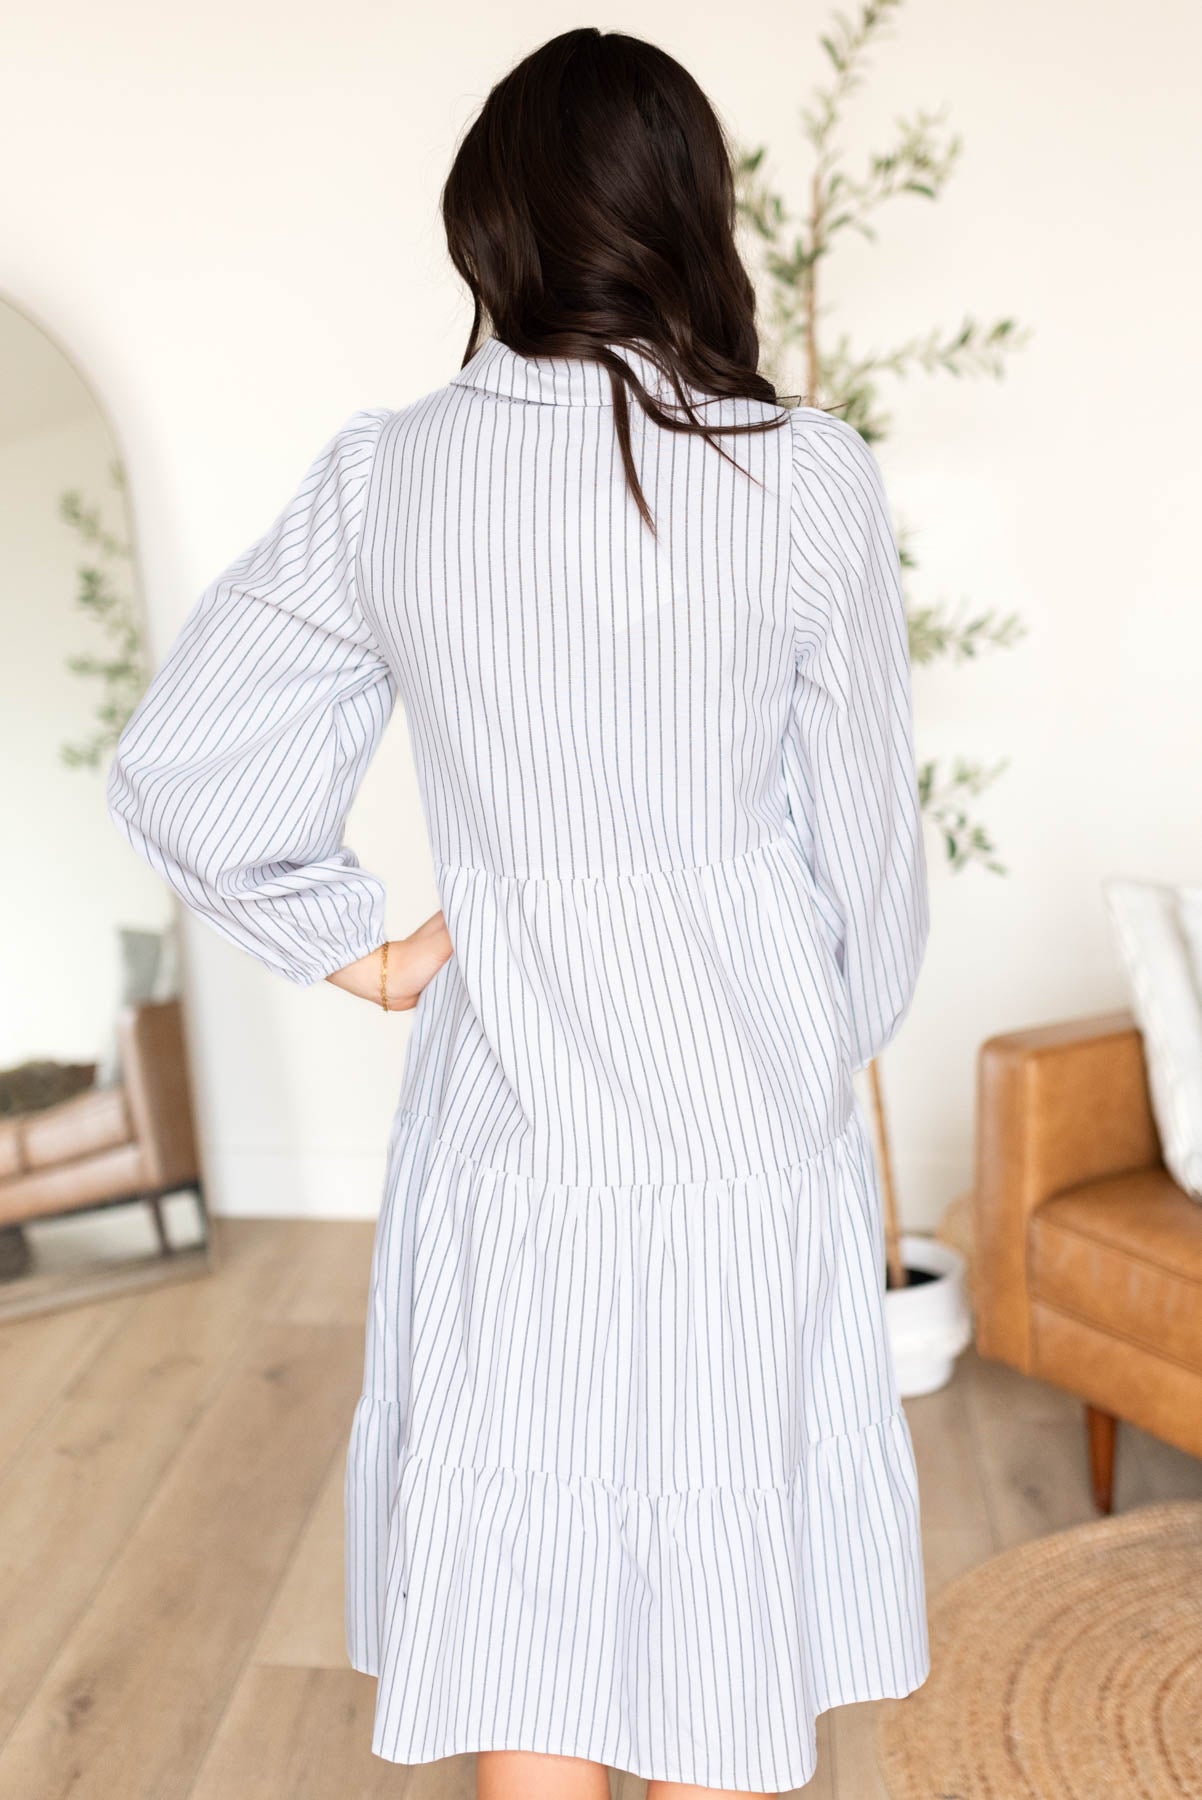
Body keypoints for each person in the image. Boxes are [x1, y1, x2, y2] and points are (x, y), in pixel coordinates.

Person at [107, 26, 930, 1800]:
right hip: (738, 1107)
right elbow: (868, 853)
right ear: (691, 216)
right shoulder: (803, 477)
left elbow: (187, 759)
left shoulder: (391, 473)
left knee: (526, 1574)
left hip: (511, 1112)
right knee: (725, 1609)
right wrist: (809, 1028)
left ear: (491, 222)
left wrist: (380, 947)